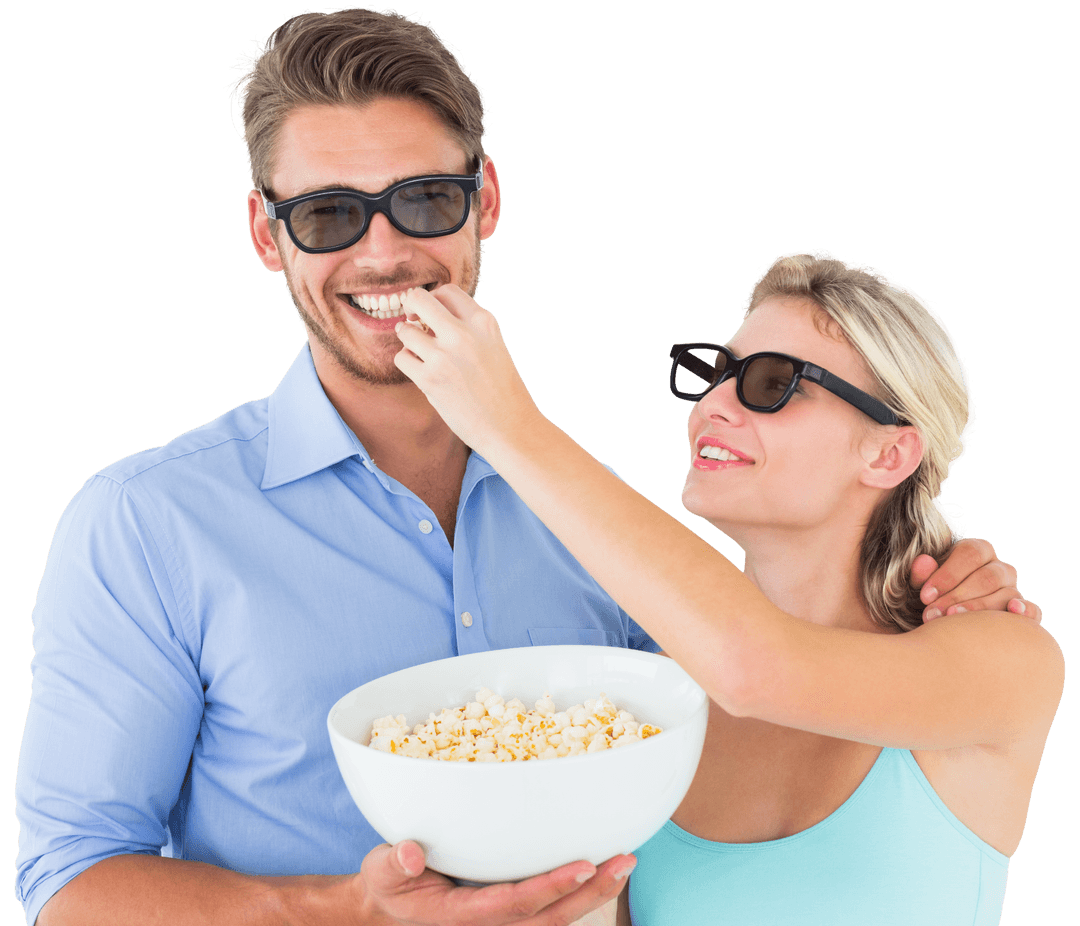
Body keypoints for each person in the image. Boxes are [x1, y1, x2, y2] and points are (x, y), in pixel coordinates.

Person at [13, 7, 1036, 925]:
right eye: (327, 214)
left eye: (422, 200)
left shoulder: (613, 540)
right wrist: (346, 910)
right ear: (267, 234)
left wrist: (937, 561)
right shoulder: (146, 521)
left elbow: (760, 661)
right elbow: (68, 881)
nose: (381, 252)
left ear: (484, 201)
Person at [391, 250, 1065, 925]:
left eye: (773, 383)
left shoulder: (1007, 662)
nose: (713, 402)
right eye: (718, 372)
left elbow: (755, 669)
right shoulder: (649, 702)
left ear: (889, 453)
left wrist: (509, 427)